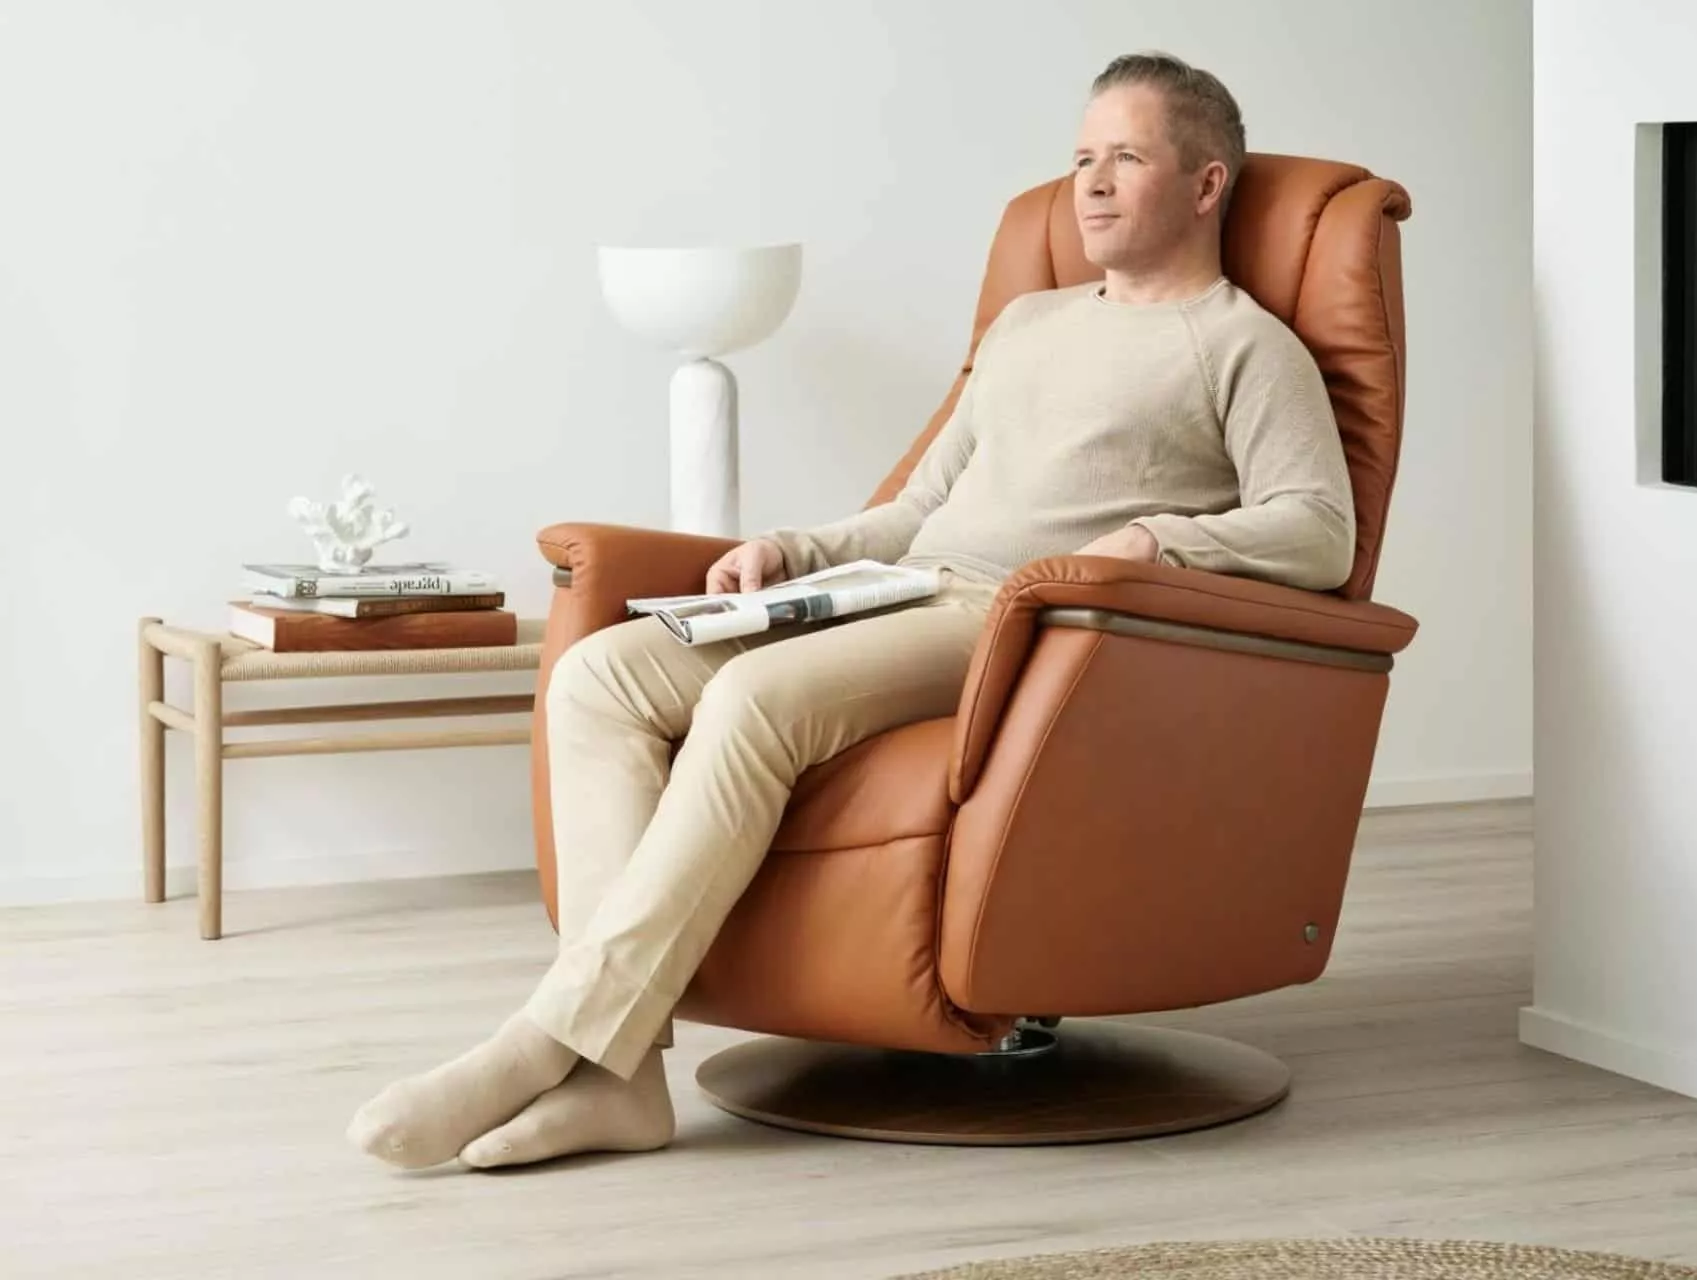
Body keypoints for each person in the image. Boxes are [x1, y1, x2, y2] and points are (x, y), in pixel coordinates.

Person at [347, 50, 1357, 1172]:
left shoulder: (1243, 345)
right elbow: (921, 503)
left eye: (1126, 156)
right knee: (604, 677)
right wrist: (790, 551)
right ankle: (621, 1083)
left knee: (754, 698)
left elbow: (1320, 528)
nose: (1092, 182)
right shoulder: (1027, 324)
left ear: (1208, 184)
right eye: (1081, 157)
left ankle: (544, 1036)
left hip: (1027, 624)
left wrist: (1155, 541)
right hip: (906, 587)